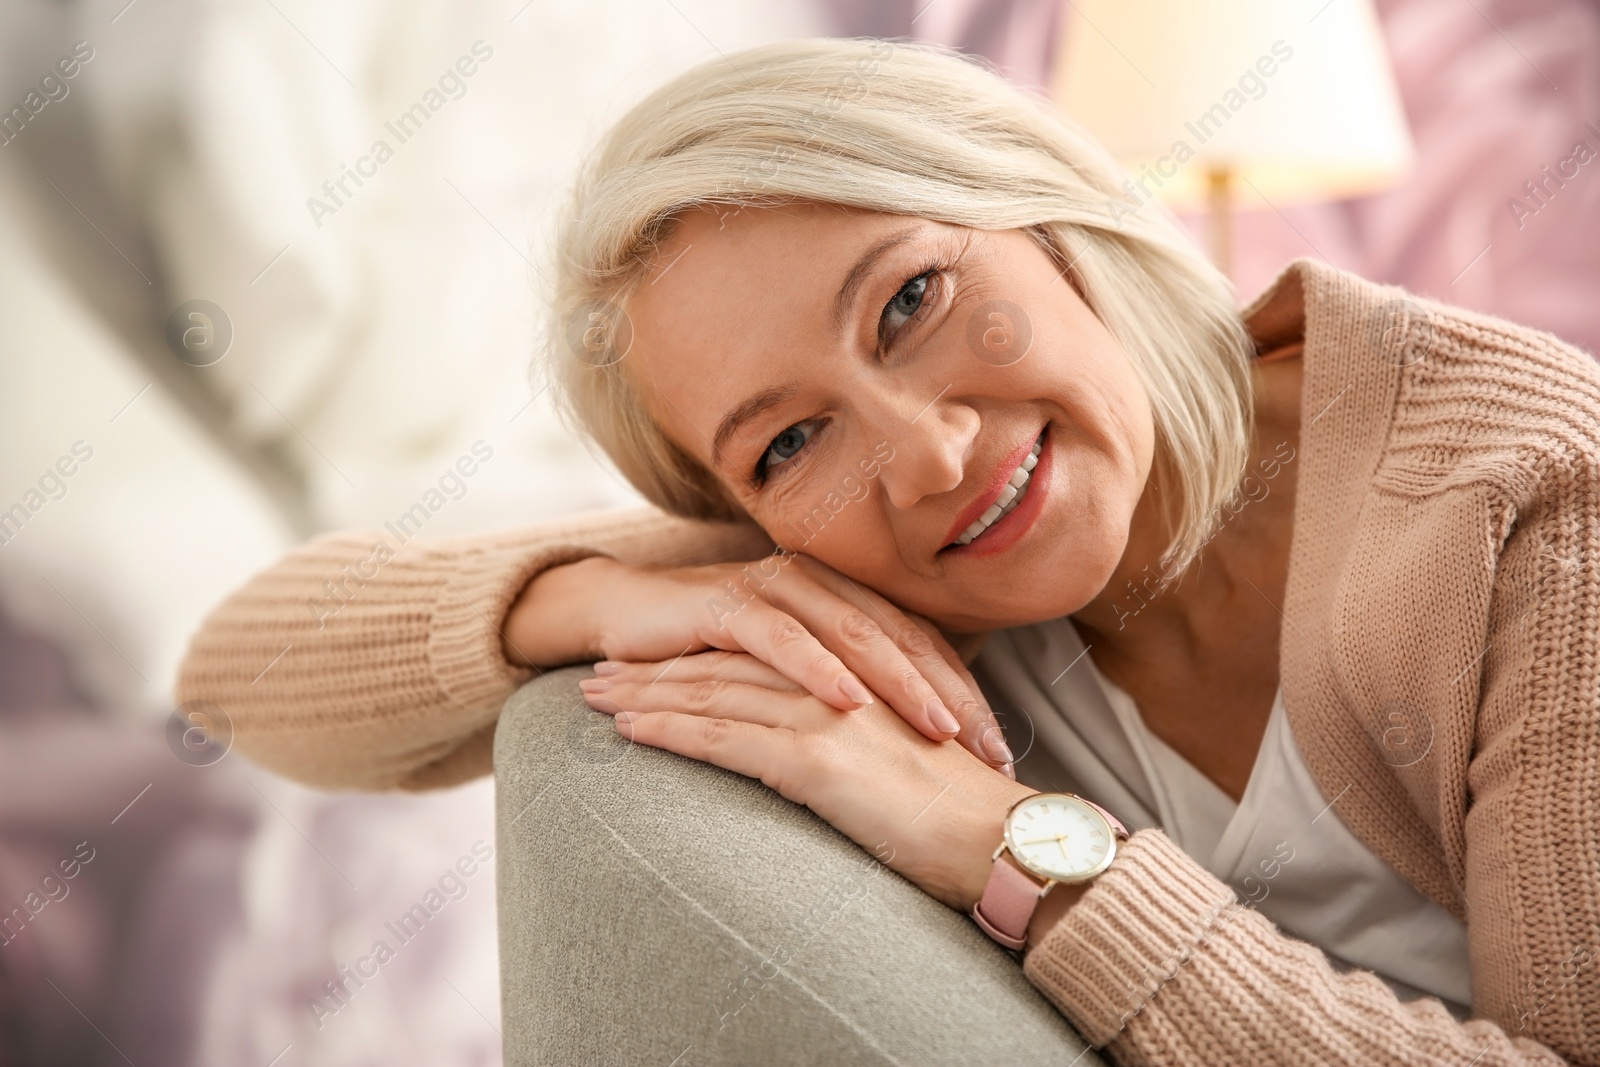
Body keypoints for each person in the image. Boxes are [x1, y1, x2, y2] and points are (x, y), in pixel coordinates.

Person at [176, 37, 1600, 1066]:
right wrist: (611, 595)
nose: (925, 458)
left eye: (913, 298)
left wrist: (1027, 859)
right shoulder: (848, 569)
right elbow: (237, 674)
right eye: (787, 445)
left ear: (1045, 216)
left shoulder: (1521, 486)